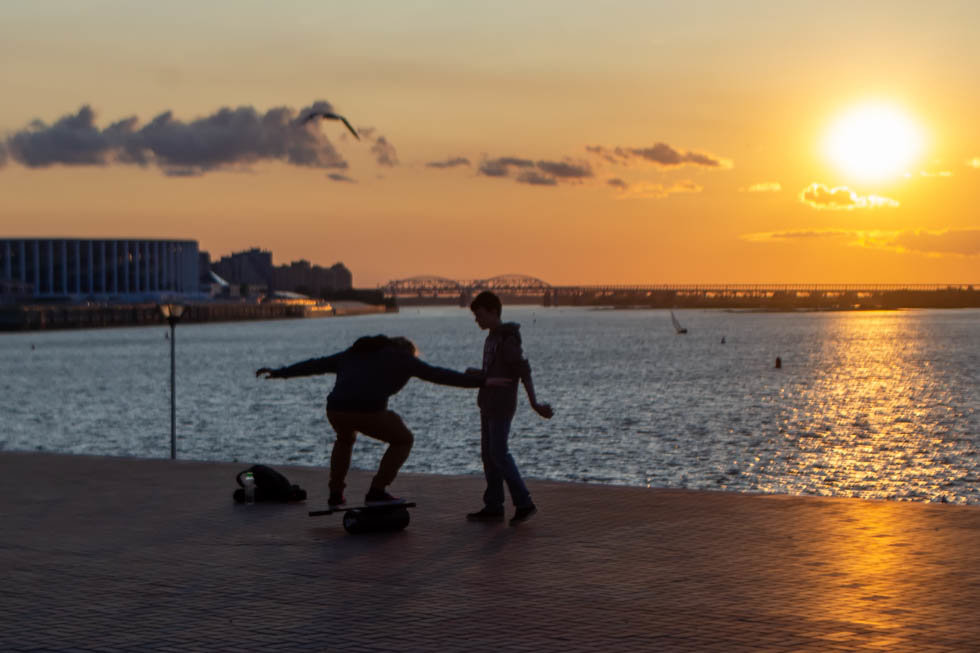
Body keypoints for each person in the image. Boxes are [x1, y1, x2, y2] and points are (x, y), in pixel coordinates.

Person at [256, 334, 504, 507]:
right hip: (365, 410)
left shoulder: (355, 353)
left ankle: (335, 492)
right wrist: (481, 382)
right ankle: (377, 490)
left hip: (336, 409)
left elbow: (314, 365)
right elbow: (437, 374)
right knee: (403, 439)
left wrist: (279, 372)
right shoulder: (402, 358)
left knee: (345, 438)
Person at [466, 291, 553, 525]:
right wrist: (478, 375)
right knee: (488, 454)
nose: (477, 320)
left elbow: (523, 370)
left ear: (493, 312)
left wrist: (534, 403)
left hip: (502, 405)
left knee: (498, 452)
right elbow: (495, 371)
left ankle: (524, 502)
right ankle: (493, 504)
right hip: (486, 403)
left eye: (479, 314)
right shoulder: (491, 338)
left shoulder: (508, 339)